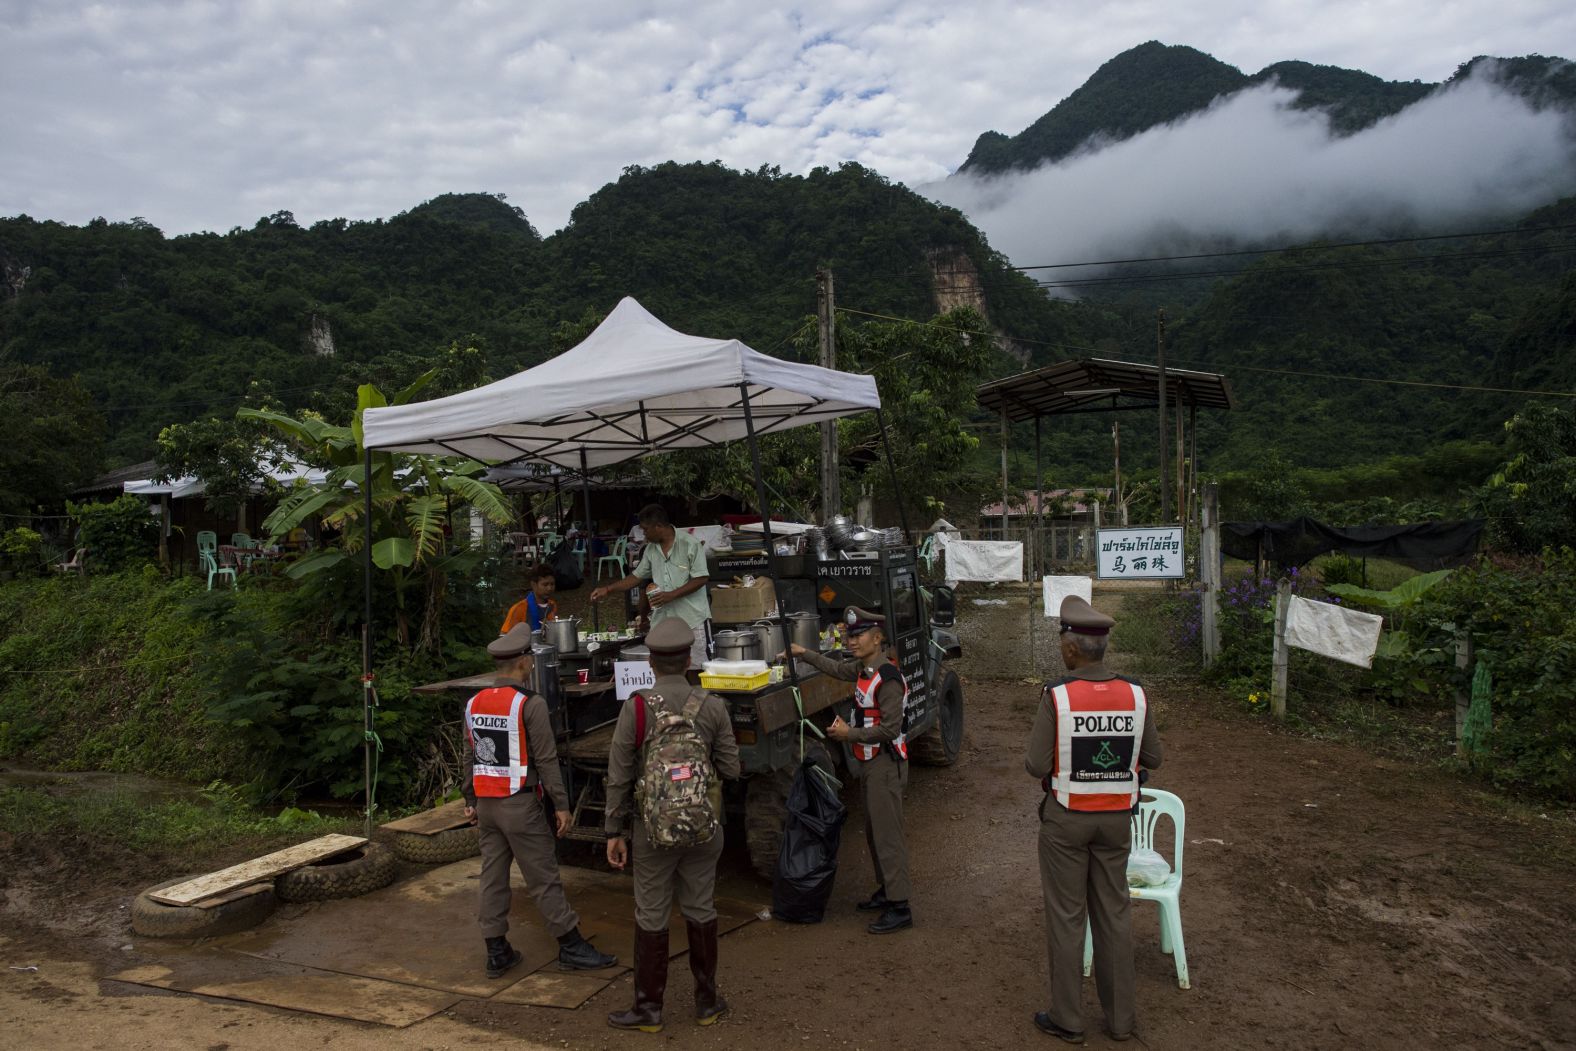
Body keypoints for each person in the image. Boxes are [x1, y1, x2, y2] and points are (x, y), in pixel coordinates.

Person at [1023, 595, 1163, 1044]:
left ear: (1070, 648)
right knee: (1115, 915)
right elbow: (1154, 757)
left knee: (1067, 917)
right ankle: (1121, 1021)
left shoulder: (1058, 697)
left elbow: (1033, 764)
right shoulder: (1137, 695)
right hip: (1118, 823)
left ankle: (1068, 1018)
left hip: (1066, 822)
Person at [604, 618, 742, 1032]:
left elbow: (619, 773)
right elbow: (732, 770)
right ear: (689, 660)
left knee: (651, 913)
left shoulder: (638, 706)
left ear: (650, 662)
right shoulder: (712, 705)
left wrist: (614, 830)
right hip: (704, 829)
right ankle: (707, 1003)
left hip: (652, 832)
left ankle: (648, 1010)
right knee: (701, 908)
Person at [461, 624, 617, 979]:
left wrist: (469, 798)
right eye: (530, 658)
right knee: (543, 877)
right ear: (523, 663)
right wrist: (561, 804)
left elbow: (469, 756)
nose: (532, 663)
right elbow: (547, 759)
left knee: (493, 876)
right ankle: (571, 945)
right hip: (519, 805)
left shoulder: (473, 703)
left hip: (486, 805)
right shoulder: (529, 704)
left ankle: (496, 950)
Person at [786, 606, 913, 935]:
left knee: (888, 837)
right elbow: (836, 668)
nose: (851, 641)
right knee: (875, 834)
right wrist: (805, 653)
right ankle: (887, 892)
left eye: (858, 636)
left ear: (877, 637)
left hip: (885, 763)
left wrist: (848, 735)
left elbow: (890, 729)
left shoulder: (888, 679)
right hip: (871, 763)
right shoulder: (864, 669)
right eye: (850, 636)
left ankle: (900, 906)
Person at [590, 504, 712, 666]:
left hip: (692, 618)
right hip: (663, 621)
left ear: (659, 527)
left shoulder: (690, 544)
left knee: (697, 667)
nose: (644, 534)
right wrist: (608, 589)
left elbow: (701, 578)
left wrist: (671, 595)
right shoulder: (650, 550)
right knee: (666, 667)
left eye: (646, 529)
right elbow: (636, 577)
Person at [500, 563, 557, 635]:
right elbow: (503, 636)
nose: (549, 588)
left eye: (552, 584)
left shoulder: (552, 605)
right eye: (545, 584)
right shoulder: (519, 608)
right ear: (534, 585)